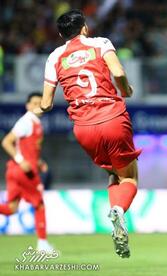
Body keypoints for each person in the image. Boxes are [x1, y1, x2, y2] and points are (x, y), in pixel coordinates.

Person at [34, 9, 141, 259]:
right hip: (112, 117)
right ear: (85, 28)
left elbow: (46, 103)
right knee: (130, 178)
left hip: (83, 127)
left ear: (61, 34)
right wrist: (125, 90)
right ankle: (118, 210)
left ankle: (116, 210)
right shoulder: (100, 44)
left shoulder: (55, 56)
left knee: (113, 174)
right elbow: (119, 73)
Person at [0, 92, 53, 251]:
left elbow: (27, 149)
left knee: (11, 209)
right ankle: (42, 244)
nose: (38, 106)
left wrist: (39, 162)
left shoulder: (35, 123)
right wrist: (20, 160)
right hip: (24, 172)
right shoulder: (27, 121)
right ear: (28, 106)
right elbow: (7, 141)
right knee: (39, 205)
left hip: (15, 171)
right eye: (34, 103)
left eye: (40, 103)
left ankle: (43, 243)